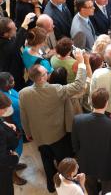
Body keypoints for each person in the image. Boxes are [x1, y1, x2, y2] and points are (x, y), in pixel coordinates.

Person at [19, 49, 87, 193]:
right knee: (65, 163)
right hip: (58, 136)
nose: (49, 73)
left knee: (47, 162)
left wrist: (28, 133)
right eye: (46, 72)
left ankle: (51, 186)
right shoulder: (56, 90)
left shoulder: (23, 94)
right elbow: (79, 85)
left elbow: (24, 116)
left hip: (39, 137)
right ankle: (70, 186)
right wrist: (81, 63)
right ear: (43, 78)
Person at [72, 88, 111, 195]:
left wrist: (81, 157)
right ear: (106, 103)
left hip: (86, 162)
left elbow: (75, 144)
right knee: (108, 191)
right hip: (107, 165)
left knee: (90, 189)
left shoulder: (77, 120)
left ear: (91, 102)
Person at [0, 72, 26, 185]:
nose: (14, 82)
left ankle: (16, 163)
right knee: (13, 152)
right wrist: (15, 131)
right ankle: (13, 174)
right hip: (13, 131)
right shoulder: (2, 99)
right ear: (3, 85)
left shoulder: (9, 90)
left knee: (18, 152)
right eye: (11, 82)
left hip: (18, 125)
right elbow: (7, 117)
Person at [0, 13, 32, 90]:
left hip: (19, 71)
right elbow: (14, 46)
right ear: (5, 34)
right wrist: (23, 26)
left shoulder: (9, 37)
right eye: (14, 29)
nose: (17, 29)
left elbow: (17, 39)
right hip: (12, 76)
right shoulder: (3, 45)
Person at [0, 92, 19, 195]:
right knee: (6, 190)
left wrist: (4, 123)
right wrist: (14, 158)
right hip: (3, 170)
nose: (7, 110)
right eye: (5, 108)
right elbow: (2, 159)